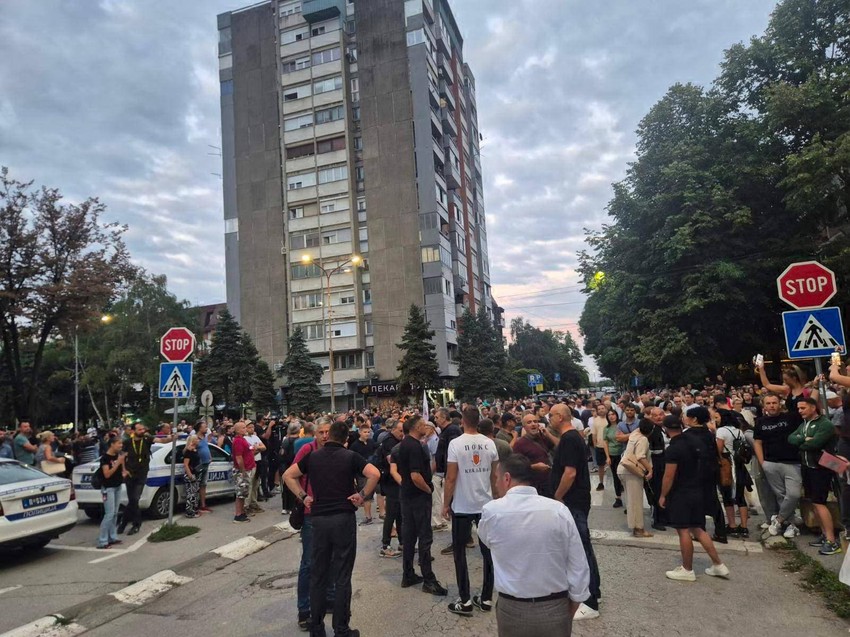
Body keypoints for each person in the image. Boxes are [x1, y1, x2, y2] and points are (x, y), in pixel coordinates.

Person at [283, 420, 380, 637]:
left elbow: (288, 475)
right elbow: (375, 474)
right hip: (343, 519)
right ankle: (341, 629)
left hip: (318, 520)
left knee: (318, 573)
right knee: (342, 575)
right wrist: (362, 495)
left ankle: (316, 628)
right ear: (346, 439)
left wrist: (304, 497)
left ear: (329, 436)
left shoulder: (313, 457)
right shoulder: (350, 457)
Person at [478, 455, 590, 637]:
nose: (496, 483)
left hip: (512, 608)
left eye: (497, 478)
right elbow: (577, 562)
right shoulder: (558, 510)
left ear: (506, 478)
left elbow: (486, 540)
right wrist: (575, 602)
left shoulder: (492, 511)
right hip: (555, 606)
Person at [442, 405, 499, 617]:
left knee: (459, 553)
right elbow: (494, 477)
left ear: (463, 421)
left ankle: (465, 600)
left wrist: (445, 503)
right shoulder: (489, 443)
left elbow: (450, 477)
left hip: (463, 506)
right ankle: (486, 598)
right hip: (485, 505)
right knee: (488, 554)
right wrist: (497, 500)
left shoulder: (455, 444)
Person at [659, 415, 729, 581]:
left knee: (683, 530)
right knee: (698, 528)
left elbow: (669, 476)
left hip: (681, 493)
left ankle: (687, 569)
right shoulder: (693, 442)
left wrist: (663, 495)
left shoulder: (673, 449)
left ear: (666, 429)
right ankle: (718, 564)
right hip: (698, 489)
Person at [551, 403, 600, 621]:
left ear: (560, 417)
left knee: (581, 549)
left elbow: (569, 473)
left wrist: (558, 496)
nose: (548, 419)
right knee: (582, 548)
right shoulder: (571, 437)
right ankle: (592, 593)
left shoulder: (570, 438)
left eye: (551, 415)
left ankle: (589, 602)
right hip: (576, 499)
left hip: (573, 501)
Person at [396, 414, 449, 595]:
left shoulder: (405, 444)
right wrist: (428, 490)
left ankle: (408, 574)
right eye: (422, 424)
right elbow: (415, 475)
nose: (425, 426)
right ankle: (429, 579)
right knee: (425, 538)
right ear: (415, 427)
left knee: (409, 537)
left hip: (407, 496)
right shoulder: (414, 447)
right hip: (418, 497)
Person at [289, 419, 333, 631]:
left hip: (332, 513)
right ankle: (304, 610)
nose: (325, 436)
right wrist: (303, 496)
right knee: (309, 562)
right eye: (321, 432)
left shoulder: (337, 448)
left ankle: (331, 599)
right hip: (310, 515)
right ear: (314, 434)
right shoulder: (308, 450)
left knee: (332, 557)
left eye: (328, 432)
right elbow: (290, 476)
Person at [789, 397, 841, 555]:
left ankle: (832, 540)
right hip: (807, 466)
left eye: (803, 408)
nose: (800, 411)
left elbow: (815, 444)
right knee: (813, 502)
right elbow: (791, 438)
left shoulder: (825, 424)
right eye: (798, 408)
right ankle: (824, 534)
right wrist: (804, 439)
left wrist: (803, 441)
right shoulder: (804, 424)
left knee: (820, 502)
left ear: (813, 407)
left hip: (821, 468)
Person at [681, 406, 727, 544]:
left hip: (694, 473)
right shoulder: (709, 434)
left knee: (696, 503)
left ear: (694, 419)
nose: (685, 419)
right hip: (711, 472)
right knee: (714, 502)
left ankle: (699, 531)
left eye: (687, 416)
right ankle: (720, 532)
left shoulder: (687, 435)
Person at [121, 422, 174, 535]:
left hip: (142, 473)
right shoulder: (127, 442)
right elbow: (121, 457)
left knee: (135, 498)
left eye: (143, 429)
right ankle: (124, 522)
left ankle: (136, 524)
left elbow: (161, 441)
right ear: (133, 431)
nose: (142, 431)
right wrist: (124, 470)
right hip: (130, 474)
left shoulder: (147, 439)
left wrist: (171, 438)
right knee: (132, 501)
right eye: (139, 429)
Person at [714, 396, 753, 538]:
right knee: (741, 497)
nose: (715, 419)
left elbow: (718, 449)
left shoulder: (721, 431)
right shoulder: (738, 431)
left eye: (717, 417)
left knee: (727, 496)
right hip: (739, 465)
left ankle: (732, 525)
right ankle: (744, 527)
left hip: (726, 465)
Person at [617, 419, 654, 537]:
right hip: (631, 471)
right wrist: (650, 469)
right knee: (636, 502)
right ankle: (638, 529)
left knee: (632, 501)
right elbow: (640, 457)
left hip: (624, 469)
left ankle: (636, 527)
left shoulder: (634, 434)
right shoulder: (643, 439)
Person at [757, 361, 817, 427]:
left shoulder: (807, 391)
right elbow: (767, 384)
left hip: (805, 421)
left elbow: (816, 406)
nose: (784, 382)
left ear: (794, 378)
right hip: (791, 422)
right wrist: (761, 368)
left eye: (786, 379)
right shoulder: (787, 390)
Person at [512, 412, 553, 497]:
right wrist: (533, 467)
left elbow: (558, 446)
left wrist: (548, 434)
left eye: (535, 421)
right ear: (524, 427)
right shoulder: (519, 444)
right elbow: (516, 467)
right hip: (534, 486)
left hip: (549, 483)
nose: (533, 424)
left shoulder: (543, 438)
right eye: (529, 422)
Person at [97, 436, 125, 549]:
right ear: (112, 444)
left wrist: (123, 470)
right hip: (108, 488)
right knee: (109, 514)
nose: (121, 446)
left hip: (117, 486)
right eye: (119, 443)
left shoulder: (118, 456)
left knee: (114, 513)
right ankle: (102, 541)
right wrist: (118, 463)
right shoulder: (105, 458)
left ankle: (112, 537)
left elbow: (121, 470)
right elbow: (107, 474)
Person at [349, 423, 377, 525]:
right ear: (360, 432)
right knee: (366, 495)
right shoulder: (355, 445)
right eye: (365, 432)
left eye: (368, 432)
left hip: (372, 470)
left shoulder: (371, 442)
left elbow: (377, 451)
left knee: (376, 493)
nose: (367, 434)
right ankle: (367, 516)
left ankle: (380, 512)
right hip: (361, 474)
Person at [231, 420, 255, 523]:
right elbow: (239, 457)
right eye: (243, 428)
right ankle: (238, 514)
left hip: (247, 468)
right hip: (242, 471)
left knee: (244, 492)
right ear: (238, 430)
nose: (245, 429)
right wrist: (243, 470)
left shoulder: (242, 439)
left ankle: (242, 512)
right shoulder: (238, 441)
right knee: (240, 493)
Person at [602, 410, 624, 508]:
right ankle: (618, 498)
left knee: (624, 476)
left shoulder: (622, 426)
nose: (611, 416)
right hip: (612, 454)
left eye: (613, 414)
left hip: (623, 453)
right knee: (615, 476)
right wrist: (607, 457)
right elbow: (605, 443)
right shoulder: (606, 429)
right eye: (609, 415)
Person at [245, 422, 266, 513]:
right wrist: (257, 448)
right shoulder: (245, 439)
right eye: (249, 427)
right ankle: (246, 505)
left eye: (253, 427)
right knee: (249, 484)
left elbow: (264, 447)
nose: (252, 429)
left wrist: (257, 448)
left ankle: (254, 503)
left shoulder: (255, 437)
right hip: (250, 462)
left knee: (256, 484)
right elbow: (250, 452)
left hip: (258, 461)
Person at [195, 420, 213, 513]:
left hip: (206, 463)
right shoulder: (195, 438)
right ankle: (195, 505)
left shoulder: (204, 438)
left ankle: (203, 505)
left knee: (203, 484)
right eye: (205, 427)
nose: (206, 428)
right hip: (198, 464)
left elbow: (206, 447)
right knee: (196, 484)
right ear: (199, 428)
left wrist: (210, 457)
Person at [589, 404, 608, 490]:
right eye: (599, 409)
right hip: (600, 446)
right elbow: (594, 434)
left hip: (611, 446)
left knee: (614, 465)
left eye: (602, 408)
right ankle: (601, 482)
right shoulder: (595, 421)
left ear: (606, 409)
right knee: (601, 466)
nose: (601, 410)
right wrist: (595, 445)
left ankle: (619, 483)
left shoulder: (610, 418)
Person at [182, 435, 201, 518]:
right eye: (197, 439)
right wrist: (190, 475)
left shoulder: (195, 450)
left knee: (195, 493)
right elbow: (186, 464)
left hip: (196, 473)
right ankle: (189, 512)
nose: (198, 440)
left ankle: (194, 509)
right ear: (193, 441)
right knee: (191, 494)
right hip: (191, 474)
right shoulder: (188, 451)